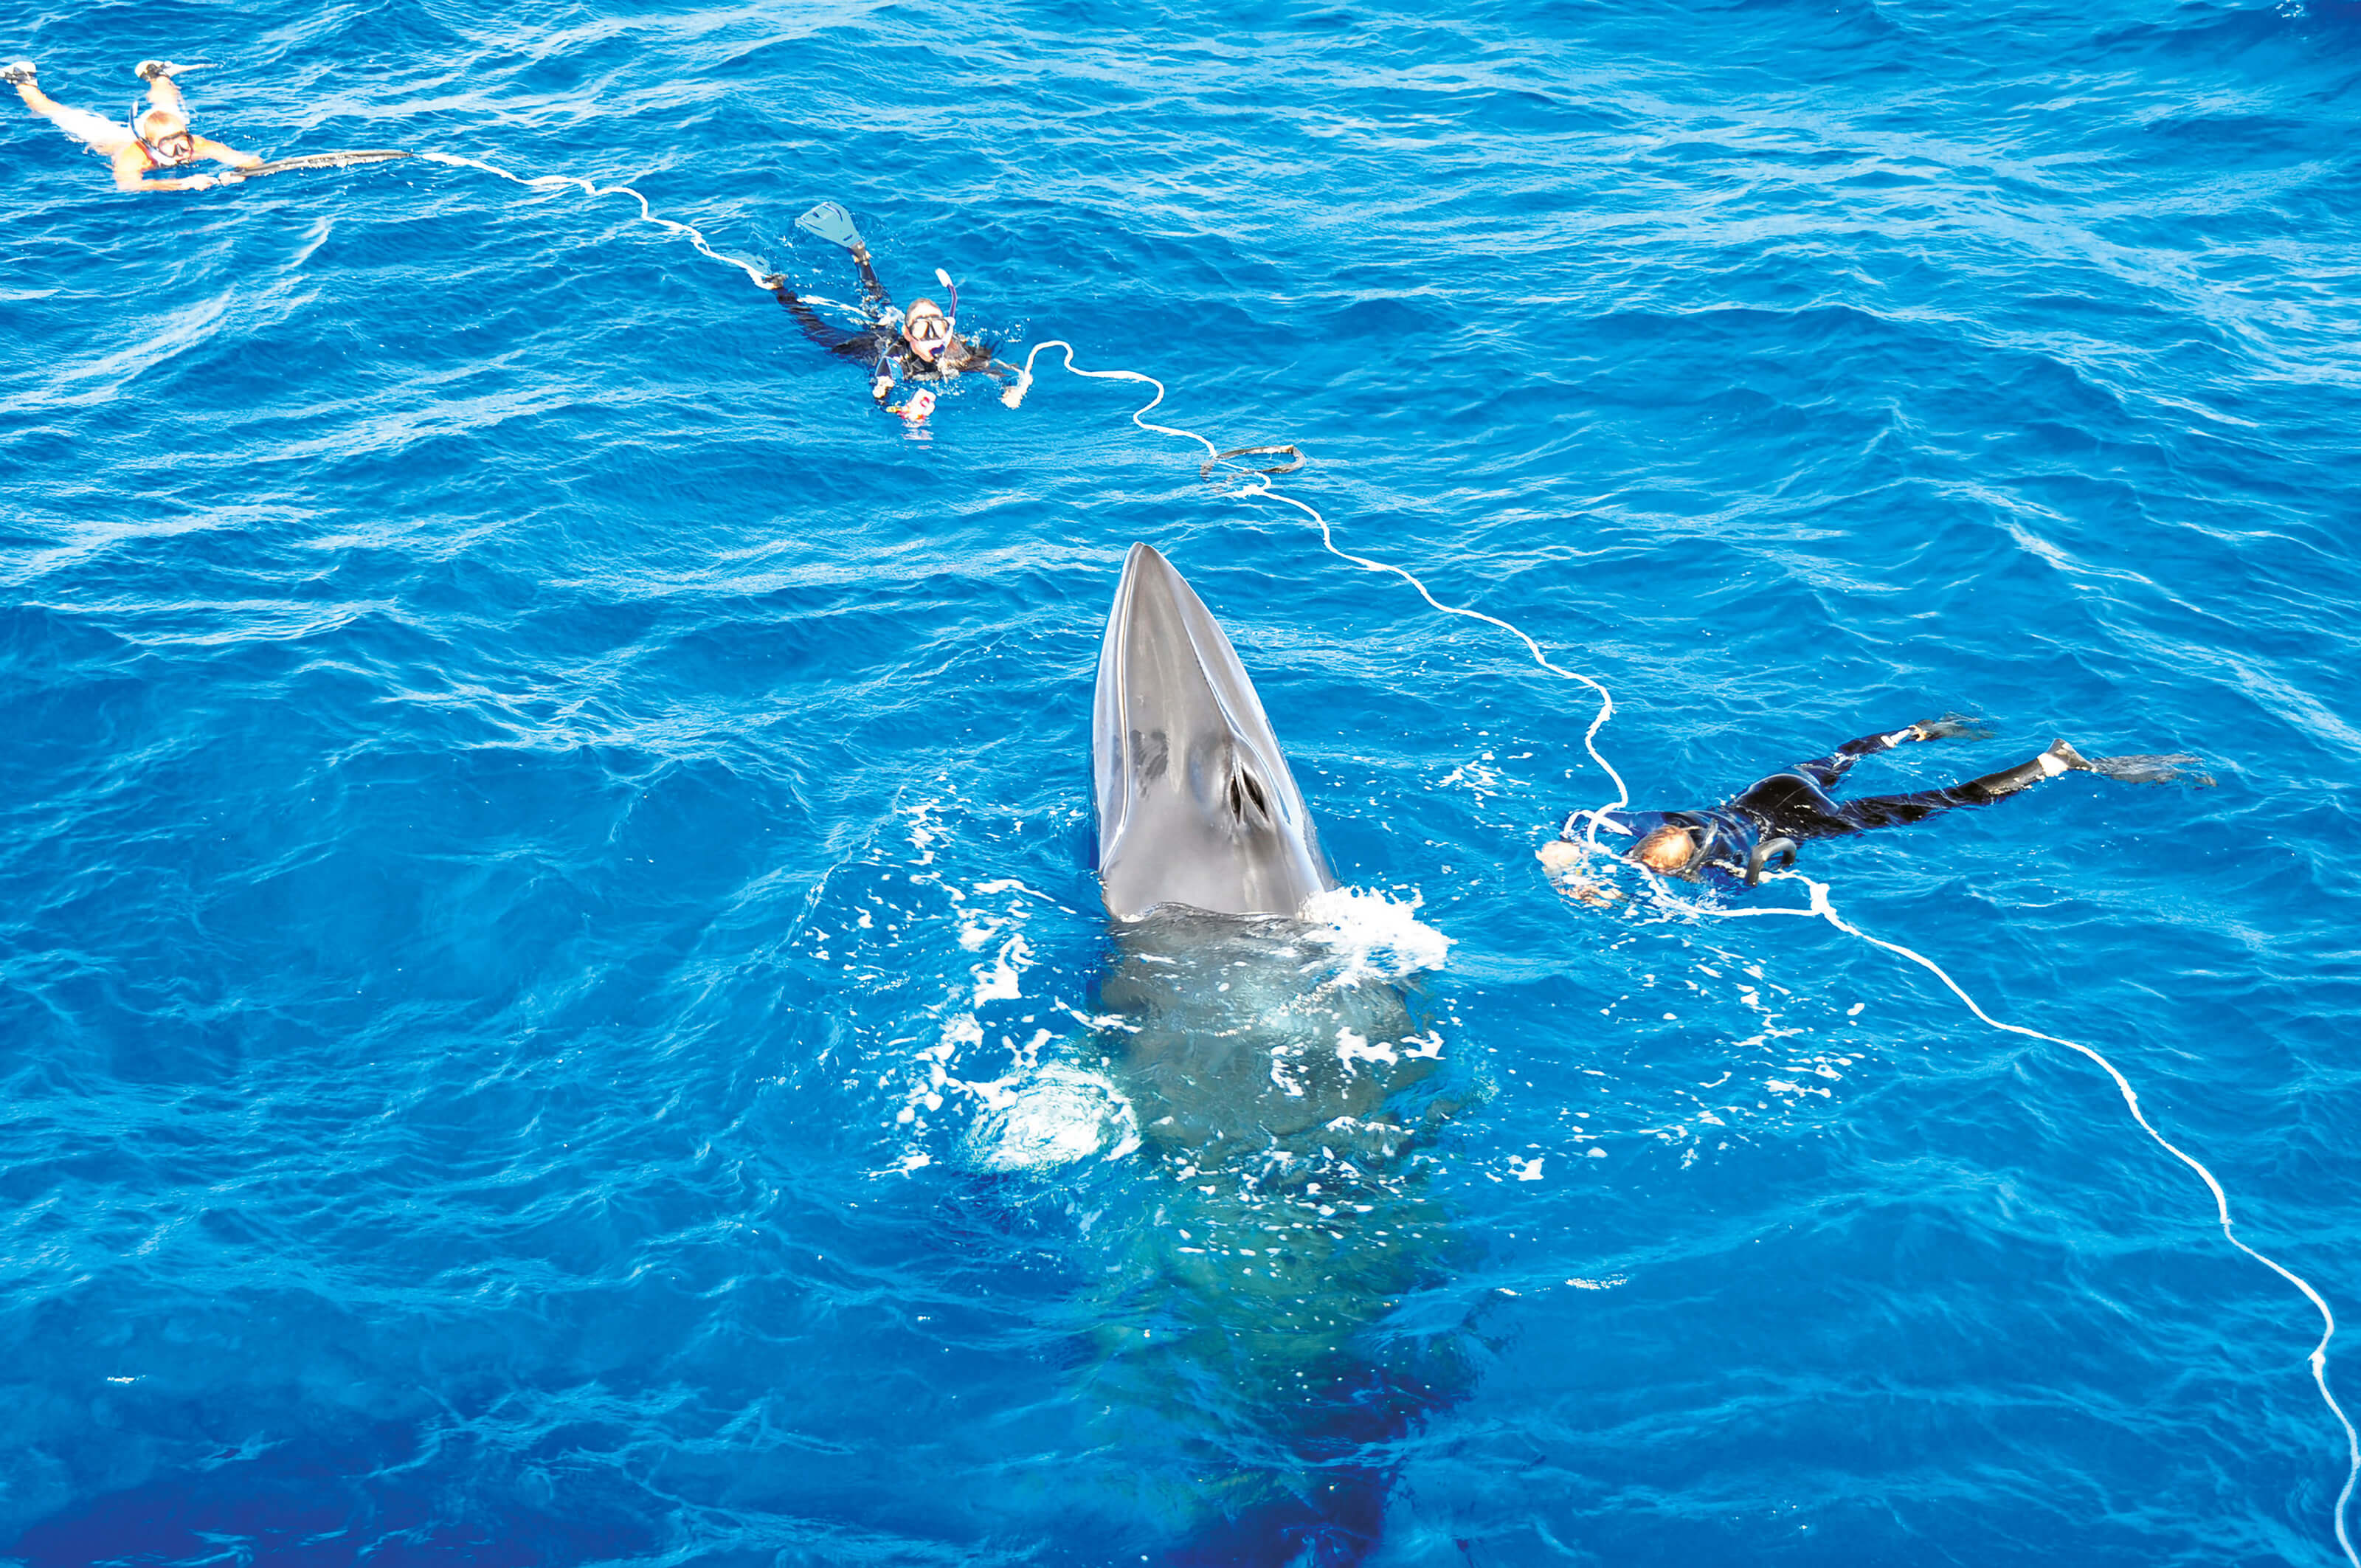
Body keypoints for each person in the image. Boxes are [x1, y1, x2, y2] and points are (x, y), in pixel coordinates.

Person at [1539, 716, 2211, 902]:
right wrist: (1571, 866)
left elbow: (1747, 883)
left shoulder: (1704, 871)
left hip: (1800, 821)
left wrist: (1575, 882)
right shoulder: (1654, 822)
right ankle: (1914, 732)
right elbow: (1570, 830)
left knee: (1940, 802)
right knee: (1841, 756)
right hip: (1771, 787)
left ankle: (2056, 763)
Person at [757, 235, 1025, 418]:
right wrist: (900, 408)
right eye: (922, 330)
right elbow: (881, 392)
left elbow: (1005, 371)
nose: (933, 338)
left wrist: (1012, 389)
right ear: (908, 333)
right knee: (818, 332)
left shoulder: (958, 352)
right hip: (874, 346)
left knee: (878, 305)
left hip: (902, 339)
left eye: (938, 327)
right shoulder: (894, 359)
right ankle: (780, 290)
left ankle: (863, 260)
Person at [3, 59, 261, 192]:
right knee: (57, 114)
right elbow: (128, 184)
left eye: (182, 138)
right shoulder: (133, 155)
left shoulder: (191, 142)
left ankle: (155, 73)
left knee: (167, 108)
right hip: (112, 139)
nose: (181, 147)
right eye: (168, 143)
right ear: (151, 144)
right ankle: (22, 80)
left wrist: (240, 173)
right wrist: (182, 183)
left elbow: (250, 159)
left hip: (158, 128)